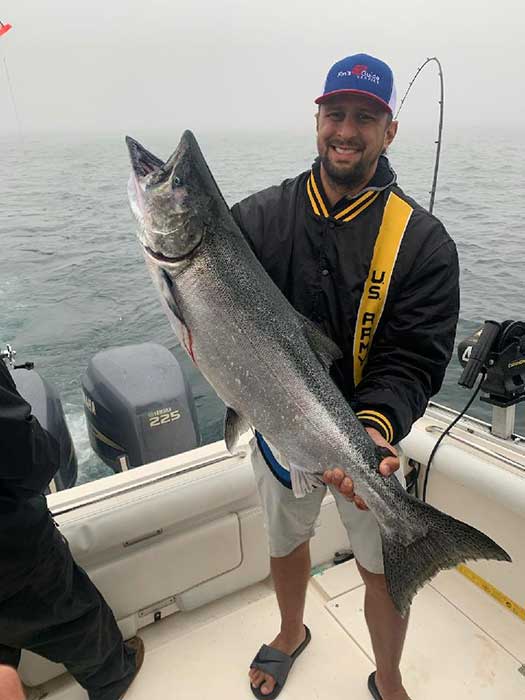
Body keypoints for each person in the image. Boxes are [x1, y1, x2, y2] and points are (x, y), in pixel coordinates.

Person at [231, 53, 459, 700]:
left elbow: (414, 355)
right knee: (285, 542)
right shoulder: (256, 219)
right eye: (336, 114)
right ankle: (290, 630)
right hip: (277, 431)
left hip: (369, 443)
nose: (346, 130)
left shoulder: (422, 241)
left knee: (383, 571)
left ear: (389, 131)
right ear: (317, 121)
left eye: (366, 117)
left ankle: (386, 679)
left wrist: (375, 427)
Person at [0, 358, 145, 699]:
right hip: (14, 555)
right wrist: (48, 450)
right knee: (75, 620)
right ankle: (114, 679)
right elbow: (29, 460)